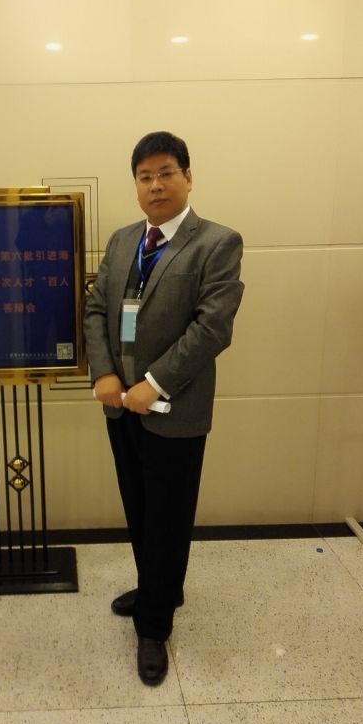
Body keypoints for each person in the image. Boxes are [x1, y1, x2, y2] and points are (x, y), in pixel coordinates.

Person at [84, 131, 244, 686]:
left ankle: (154, 626)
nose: (155, 185)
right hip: (120, 405)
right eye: (145, 176)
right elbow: (97, 309)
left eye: (166, 173)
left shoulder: (216, 243)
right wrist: (105, 373)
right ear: (136, 185)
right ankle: (158, 587)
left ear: (188, 177)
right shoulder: (123, 240)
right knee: (139, 506)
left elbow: (212, 328)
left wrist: (152, 383)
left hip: (174, 408)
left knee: (168, 518)